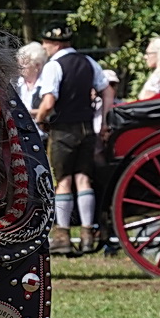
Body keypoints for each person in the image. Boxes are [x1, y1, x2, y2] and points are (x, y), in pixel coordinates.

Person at [32, 26, 112, 255]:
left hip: (63, 131)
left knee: (63, 181)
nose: (45, 47)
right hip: (87, 129)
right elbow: (107, 91)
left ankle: (63, 235)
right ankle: (88, 234)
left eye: (46, 43)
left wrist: (38, 120)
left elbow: (48, 102)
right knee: (84, 179)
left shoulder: (54, 66)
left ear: (56, 44)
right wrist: (105, 120)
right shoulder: (88, 62)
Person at [15, 42, 47, 123]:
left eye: (24, 63)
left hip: (42, 132)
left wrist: (28, 113)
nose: (20, 67)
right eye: (19, 62)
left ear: (37, 65)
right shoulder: (14, 83)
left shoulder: (46, 85)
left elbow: (51, 110)